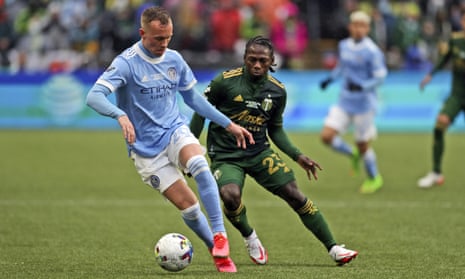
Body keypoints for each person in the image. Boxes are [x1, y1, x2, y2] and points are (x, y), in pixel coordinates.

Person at [86, 6, 255, 273]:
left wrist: (228, 123)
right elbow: (93, 96)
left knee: (199, 165)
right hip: (145, 151)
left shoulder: (174, 59)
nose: (164, 44)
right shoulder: (126, 63)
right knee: (189, 208)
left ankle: (221, 235)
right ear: (142, 33)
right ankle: (216, 251)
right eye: (157, 39)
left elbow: (194, 99)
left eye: (168, 38)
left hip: (174, 130)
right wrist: (120, 115)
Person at [190, 35, 358, 266]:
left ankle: (334, 248)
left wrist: (298, 156)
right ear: (244, 59)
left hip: (259, 153)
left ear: (272, 61)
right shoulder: (224, 82)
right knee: (230, 196)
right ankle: (250, 237)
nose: (257, 65)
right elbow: (200, 111)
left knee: (295, 194)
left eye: (262, 60)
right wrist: (190, 148)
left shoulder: (277, 91)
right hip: (226, 155)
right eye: (252, 60)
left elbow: (276, 130)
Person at [319, 11, 387, 194]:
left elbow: (381, 76)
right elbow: (342, 67)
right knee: (326, 136)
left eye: (362, 26)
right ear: (350, 27)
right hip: (344, 101)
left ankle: (374, 178)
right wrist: (330, 79)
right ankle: (352, 154)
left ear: (367, 28)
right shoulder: (344, 46)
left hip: (364, 105)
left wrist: (363, 86)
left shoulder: (372, 51)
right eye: (355, 25)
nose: (358, 29)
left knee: (363, 144)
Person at [417, 10, 465, 188]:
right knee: (439, 126)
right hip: (457, 96)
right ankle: (436, 173)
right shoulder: (456, 40)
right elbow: (443, 60)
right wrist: (430, 75)